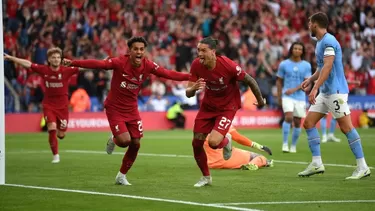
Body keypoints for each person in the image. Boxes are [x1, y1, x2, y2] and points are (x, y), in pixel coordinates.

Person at [64, 36, 190, 185]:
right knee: (124, 141)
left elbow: (167, 73)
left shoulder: (148, 65)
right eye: (135, 49)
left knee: (136, 143)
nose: (139, 52)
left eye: (142, 49)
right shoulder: (119, 62)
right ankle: (114, 139)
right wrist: (73, 62)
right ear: (129, 51)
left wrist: (190, 76)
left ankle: (121, 175)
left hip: (131, 109)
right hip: (114, 107)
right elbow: (98, 64)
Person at [185, 37, 265, 187]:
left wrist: (260, 101)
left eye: (203, 50)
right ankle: (206, 177)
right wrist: (193, 89)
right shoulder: (196, 65)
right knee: (196, 143)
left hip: (227, 107)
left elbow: (250, 80)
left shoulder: (228, 65)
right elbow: (188, 93)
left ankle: (226, 140)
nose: (200, 54)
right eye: (198, 50)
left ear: (213, 52)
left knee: (214, 142)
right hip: (208, 106)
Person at [299, 12, 370, 179]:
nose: (308, 26)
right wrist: (311, 79)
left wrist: (314, 88)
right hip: (325, 92)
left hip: (335, 92)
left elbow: (329, 66)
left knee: (346, 128)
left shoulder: (329, 41)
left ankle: (362, 166)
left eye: (310, 23)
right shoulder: (320, 42)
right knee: (309, 123)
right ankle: (316, 163)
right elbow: (321, 67)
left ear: (315, 24)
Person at [4, 48, 81, 164]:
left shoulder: (66, 70)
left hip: (63, 107)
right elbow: (28, 64)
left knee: (61, 135)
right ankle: (56, 156)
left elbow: (83, 67)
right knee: (51, 128)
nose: (56, 59)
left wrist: (102, 64)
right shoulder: (44, 70)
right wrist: (11, 58)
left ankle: (58, 140)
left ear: (61, 59)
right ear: (49, 59)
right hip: (48, 105)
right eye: (54, 57)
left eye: (58, 57)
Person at [276, 42, 312, 153]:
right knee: (288, 117)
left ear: (302, 51)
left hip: (300, 97)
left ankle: (293, 146)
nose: (297, 50)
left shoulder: (306, 65)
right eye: (295, 48)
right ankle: (285, 144)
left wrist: (303, 88)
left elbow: (308, 82)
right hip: (287, 96)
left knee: (297, 122)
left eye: (299, 49)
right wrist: (279, 96)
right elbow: (279, 81)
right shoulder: (284, 64)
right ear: (291, 50)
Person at [204, 125, 273, 170]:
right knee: (259, 156)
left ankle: (251, 164)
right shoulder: (224, 121)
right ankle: (252, 164)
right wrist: (258, 146)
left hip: (210, 163)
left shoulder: (203, 123)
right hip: (226, 159)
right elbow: (238, 138)